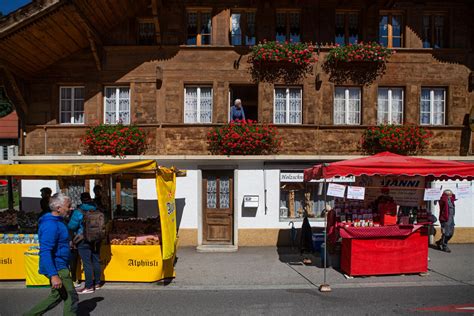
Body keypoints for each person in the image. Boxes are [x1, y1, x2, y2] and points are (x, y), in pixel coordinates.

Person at [24, 193, 78, 316]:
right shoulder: (51, 225)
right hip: (57, 267)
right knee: (71, 297)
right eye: (68, 206)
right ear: (58, 208)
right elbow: (45, 251)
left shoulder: (58, 221)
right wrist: (54, 275)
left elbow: (56, 243)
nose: (71, 208)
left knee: (57, 296)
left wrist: (67, 245)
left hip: (59, 264)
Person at [68, 192, 103, 294]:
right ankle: (97, 283)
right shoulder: (96, 209)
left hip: (83, 239)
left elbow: (71, 226)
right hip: (97, 238)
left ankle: (89, 286)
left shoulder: (79, 211)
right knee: (96, 260)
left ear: (81, 199)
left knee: (87, 262)